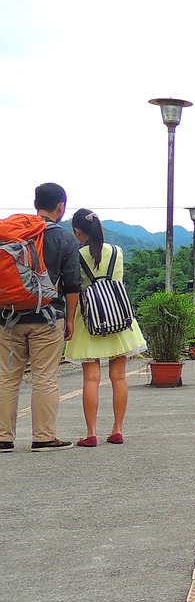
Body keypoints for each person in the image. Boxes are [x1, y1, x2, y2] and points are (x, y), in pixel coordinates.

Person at [0, 183, 82, 453]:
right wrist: (69, 320)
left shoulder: (12, 233)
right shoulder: (64, 238)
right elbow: (72, 285)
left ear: (36, 203)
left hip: (8, 317)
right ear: (61, 206)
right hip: (48, 318)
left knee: (7, 378)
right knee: (44, 377)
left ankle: (3, 437)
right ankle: (44, 437)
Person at [64, 209, 147, 447]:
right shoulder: (117, 252)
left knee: (91, 378)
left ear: (78, 231)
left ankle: (91, 433)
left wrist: (69, 319)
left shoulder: (76, 256)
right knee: (119, 376)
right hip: (118, 318)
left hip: (89, 320)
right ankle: (117, 430)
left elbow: (73, 288)